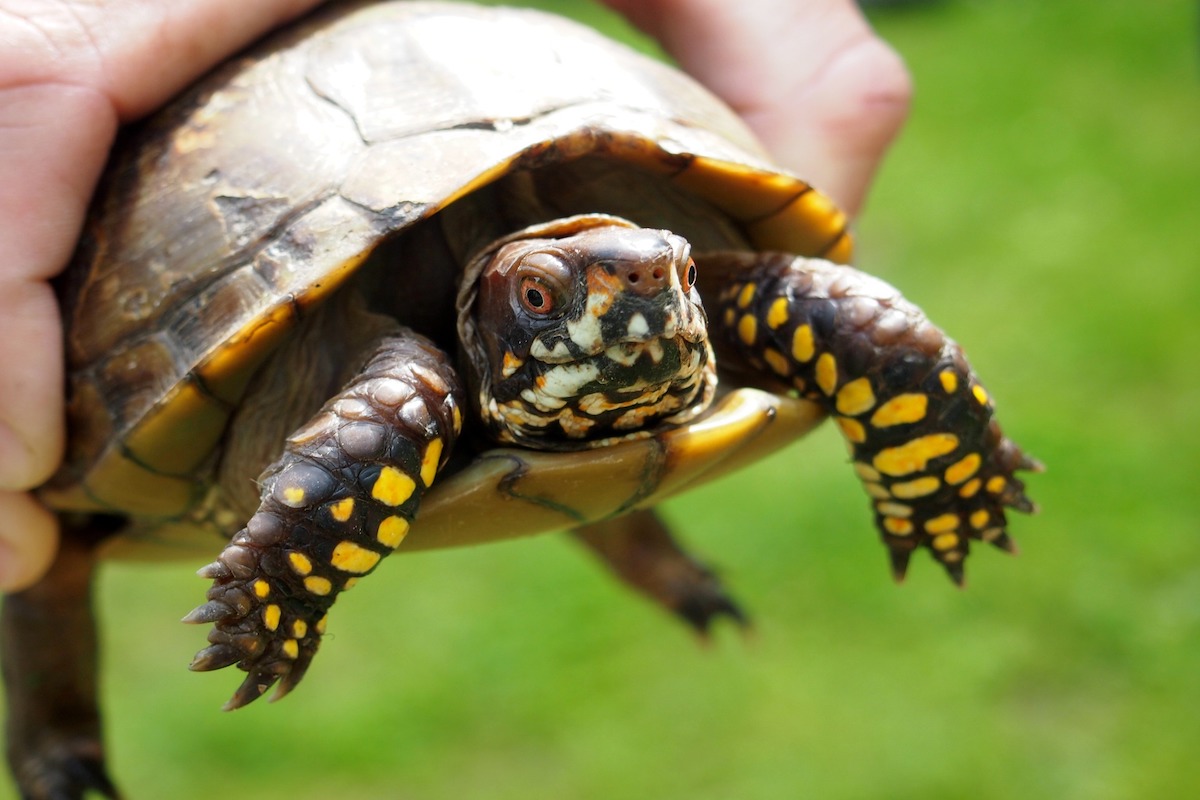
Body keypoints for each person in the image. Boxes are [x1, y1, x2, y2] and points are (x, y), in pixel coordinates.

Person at [0, 0, 911, 591]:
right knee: (394, 412)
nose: (634, 294)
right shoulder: (402, 388)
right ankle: (58, 747)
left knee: (861, 324)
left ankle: (659, 563)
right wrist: (274, 596)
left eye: (665, 274)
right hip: (269, 339)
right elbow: (388, 412)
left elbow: (868, 332)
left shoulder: (705, 295)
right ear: (488, 315)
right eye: (547, 298)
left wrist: (931, 462)